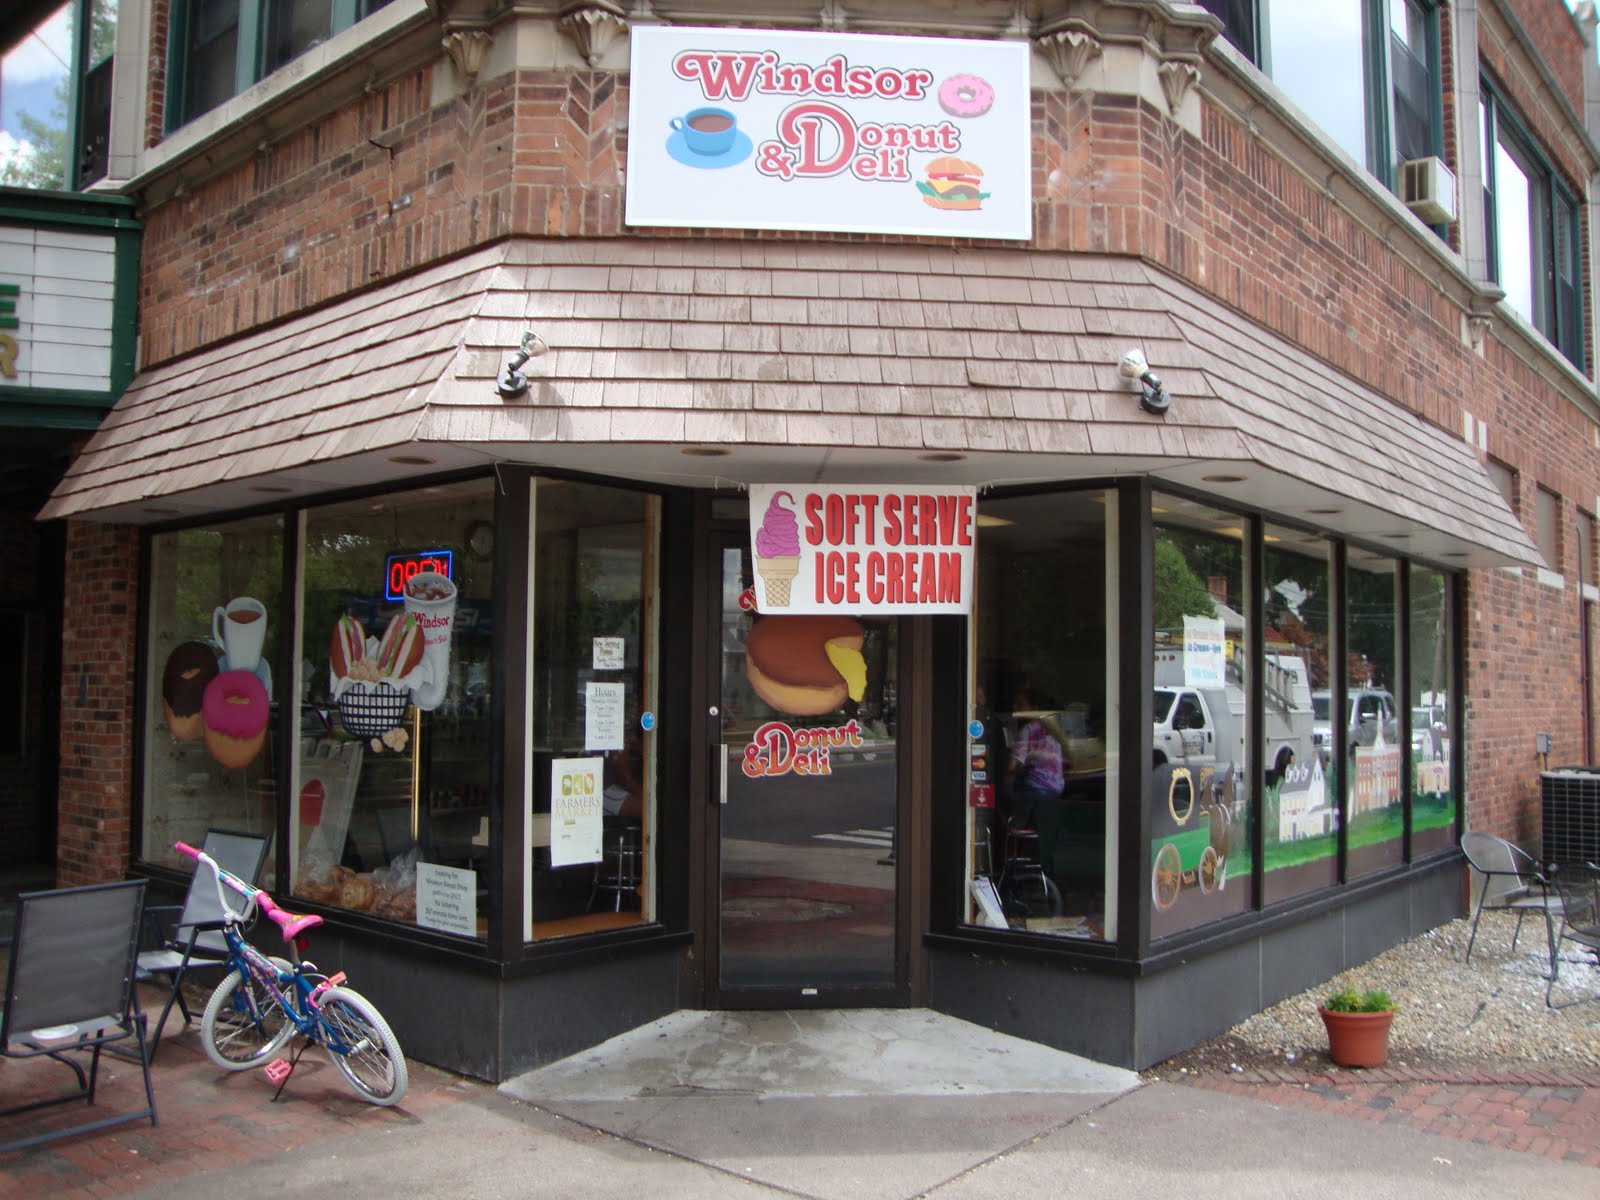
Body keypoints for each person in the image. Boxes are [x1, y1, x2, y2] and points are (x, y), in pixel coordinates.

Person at [1007, 688, 1067, 873]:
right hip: (1055, 790)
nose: (1015, 707)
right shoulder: (1055, 728)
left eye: (1021, 704)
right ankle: (1043, 871)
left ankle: (1011, 870)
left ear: (1033, 707)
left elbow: (1012, 766)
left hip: (1034, 790)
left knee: (1011, 827)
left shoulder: (1028, 730)